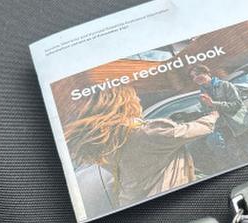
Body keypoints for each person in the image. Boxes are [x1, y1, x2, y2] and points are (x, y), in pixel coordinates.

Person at [63, 86, 217, 207]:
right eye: (134, 96)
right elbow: (198, 129)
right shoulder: (148, 133)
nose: (138, 99)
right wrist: (215, 113)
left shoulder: (104, 143)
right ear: (125, 103)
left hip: (133, 201)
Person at [188, 64, 248, 164]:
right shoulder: (202, 95)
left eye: (198, 74)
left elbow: (237, 104)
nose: (196, 78)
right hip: (225, 130)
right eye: (192, 77)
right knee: (238, 158)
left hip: (239, 125)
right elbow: (210, 113)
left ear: (207, 73)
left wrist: (213, 104)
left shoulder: (225, 85)